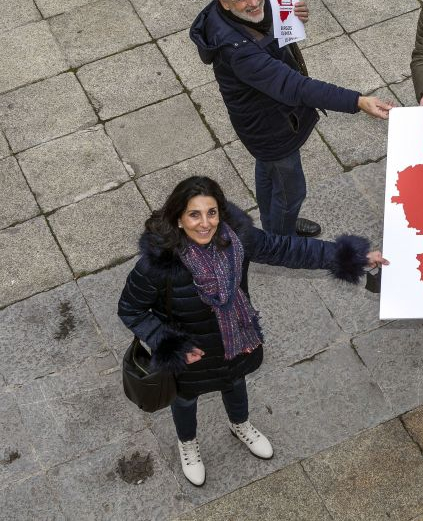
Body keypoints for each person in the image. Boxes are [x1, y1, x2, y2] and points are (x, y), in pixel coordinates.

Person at [117, 176, 388, 486]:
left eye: (212, 212)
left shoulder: (237, 239)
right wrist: (169, 344)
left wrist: (353, 257)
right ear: (178, 219)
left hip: (236, 338)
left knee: (235, 382)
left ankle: (240, 424)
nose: (205, 223)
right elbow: (130, 309)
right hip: (190, 353)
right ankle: (188, 444)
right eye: (194, 214)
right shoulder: (156, 265)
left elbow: (289, 249)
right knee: (186, 400)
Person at [190, 0, 393, 238]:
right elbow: (294, 86)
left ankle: (272, 224)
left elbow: (268, 22)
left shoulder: (244, 11)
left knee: (268, 173)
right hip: (270, 128)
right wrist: (358, 101)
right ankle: (281, 239)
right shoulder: (238, 53)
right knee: (291, 191)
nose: (254, 1)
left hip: (266, 120)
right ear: (224, 3)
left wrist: (293, 17)